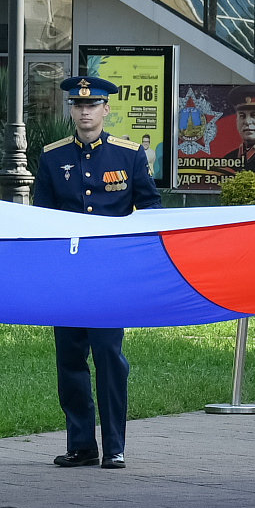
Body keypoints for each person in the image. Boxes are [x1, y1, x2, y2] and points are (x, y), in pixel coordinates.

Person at [32, 74, 161, 470]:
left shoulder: (128, 155)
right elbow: (42, 218)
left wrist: (133, 258)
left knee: (109, 358)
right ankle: (81, 443)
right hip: (68, 276)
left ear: (106, 110)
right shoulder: (52, 157)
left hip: (110, 275)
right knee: (69, 360)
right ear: (71, 110)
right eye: (78, 105)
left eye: (92, 105)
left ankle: (115, 445)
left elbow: (150, 209)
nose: (85, 111)